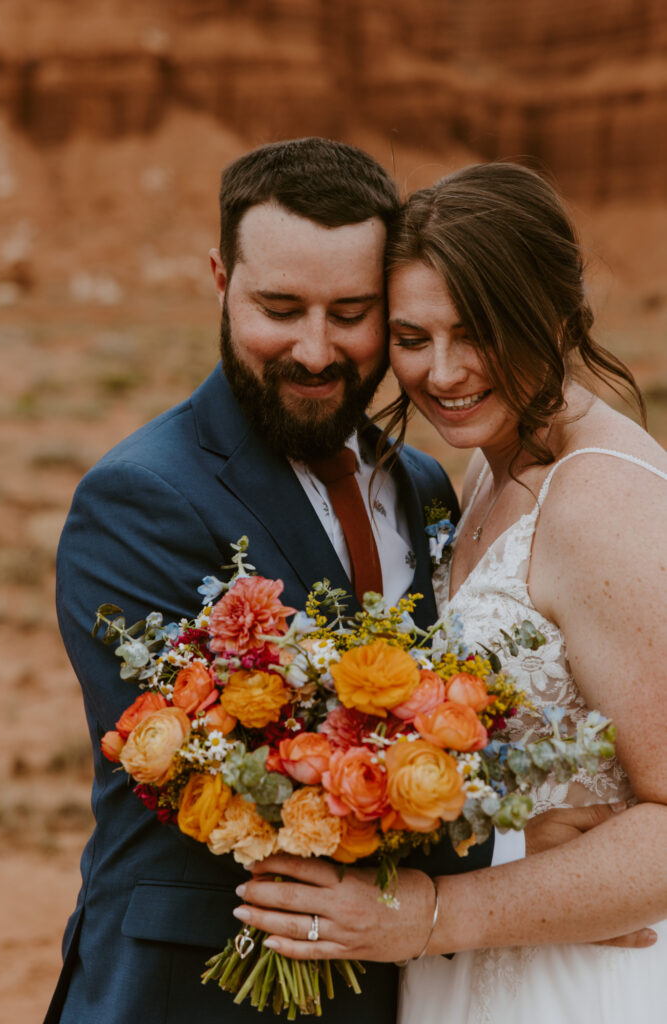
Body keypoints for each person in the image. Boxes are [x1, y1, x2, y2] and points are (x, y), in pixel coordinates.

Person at [44, 141, 649, 1024]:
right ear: (221, 279)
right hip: (193, 993)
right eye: (278, 308)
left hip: (412, 979)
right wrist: (503, 843)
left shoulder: (430, 483)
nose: (315, 350)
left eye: (354, 313)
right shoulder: (141, 498)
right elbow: (212, 777)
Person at [232, 163, 667, 1023]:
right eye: (411, 335)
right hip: (458, 970)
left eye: (478, 331)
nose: (443, 371)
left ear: (557, 312)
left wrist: (430, 914)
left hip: (566, 989)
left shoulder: (602, 502)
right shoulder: (485, 466)